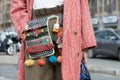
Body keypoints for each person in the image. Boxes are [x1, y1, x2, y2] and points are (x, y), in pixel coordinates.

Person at [10, 0, 97, 80]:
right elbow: (18, 5)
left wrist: (86, 44)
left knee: (66, 76)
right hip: (35, 29)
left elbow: (83, 6)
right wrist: (24, 26)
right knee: (35, 74)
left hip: (68, 26)